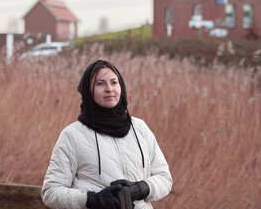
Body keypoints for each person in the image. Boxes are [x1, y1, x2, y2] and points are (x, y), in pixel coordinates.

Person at [41, 60, 172, 209]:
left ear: (121, 86)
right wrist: (92, 200)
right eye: (100, 84)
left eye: (114, 82)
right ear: (88, 91)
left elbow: (164, 178)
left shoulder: (140, 128)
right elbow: (51, 192)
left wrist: (140, 189)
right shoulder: (71, 135)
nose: (109, 89)